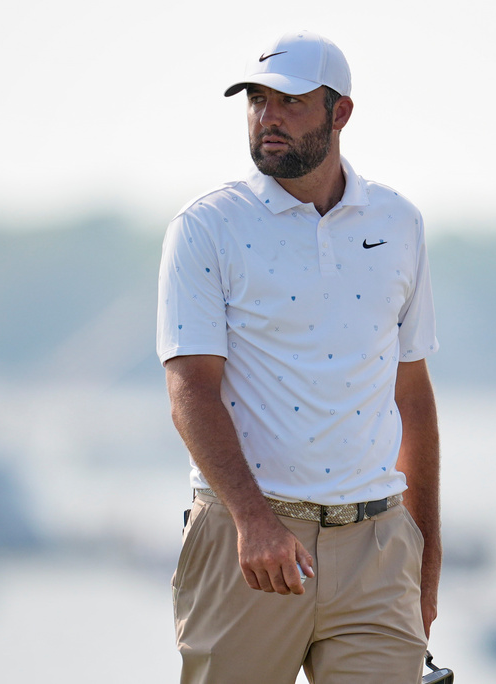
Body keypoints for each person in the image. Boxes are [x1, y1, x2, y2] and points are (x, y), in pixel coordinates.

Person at [156, 30, 441, 684]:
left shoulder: (400, 224)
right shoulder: (206, 226)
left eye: (288, 101)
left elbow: (413, 400)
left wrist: (424, 563)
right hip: (247, 544)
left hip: (377, 550)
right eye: (256, 100)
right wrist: (254, 522)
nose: (268, 117)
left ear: (339, 113)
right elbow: (190, 391)